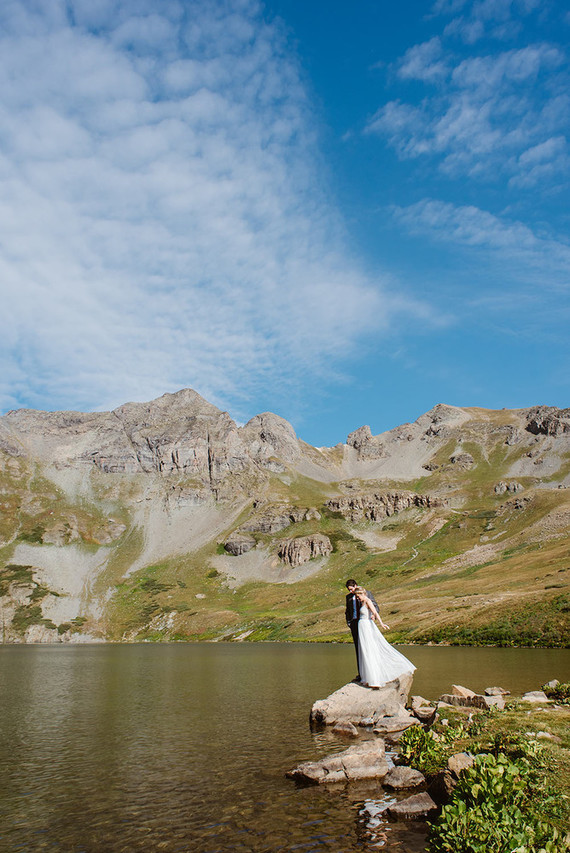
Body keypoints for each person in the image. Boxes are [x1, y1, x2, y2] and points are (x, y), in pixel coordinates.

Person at [354, 586, 415, 689]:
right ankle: (368, 678)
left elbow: (375, 612)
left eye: (358, 596)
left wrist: (381, 623)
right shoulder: (362, 602)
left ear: (362, 594)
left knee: (370, 650)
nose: (357, 598)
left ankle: (374, 679)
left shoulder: (368, 601)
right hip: (363, 628)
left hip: (367, 628)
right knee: (365, 651)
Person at [345, 578, 379, 682]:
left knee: (367, 647)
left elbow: (375, 606)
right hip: (355, 624)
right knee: (358, 648)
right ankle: (361, 674)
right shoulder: (348, 597)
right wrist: (349, 622)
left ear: (356, 585)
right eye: (349, 590)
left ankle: (372, 672)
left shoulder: (366, 593)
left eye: (351, 589)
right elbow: (347, 611)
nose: (350, 591)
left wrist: (374, 615)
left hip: (365, 624)